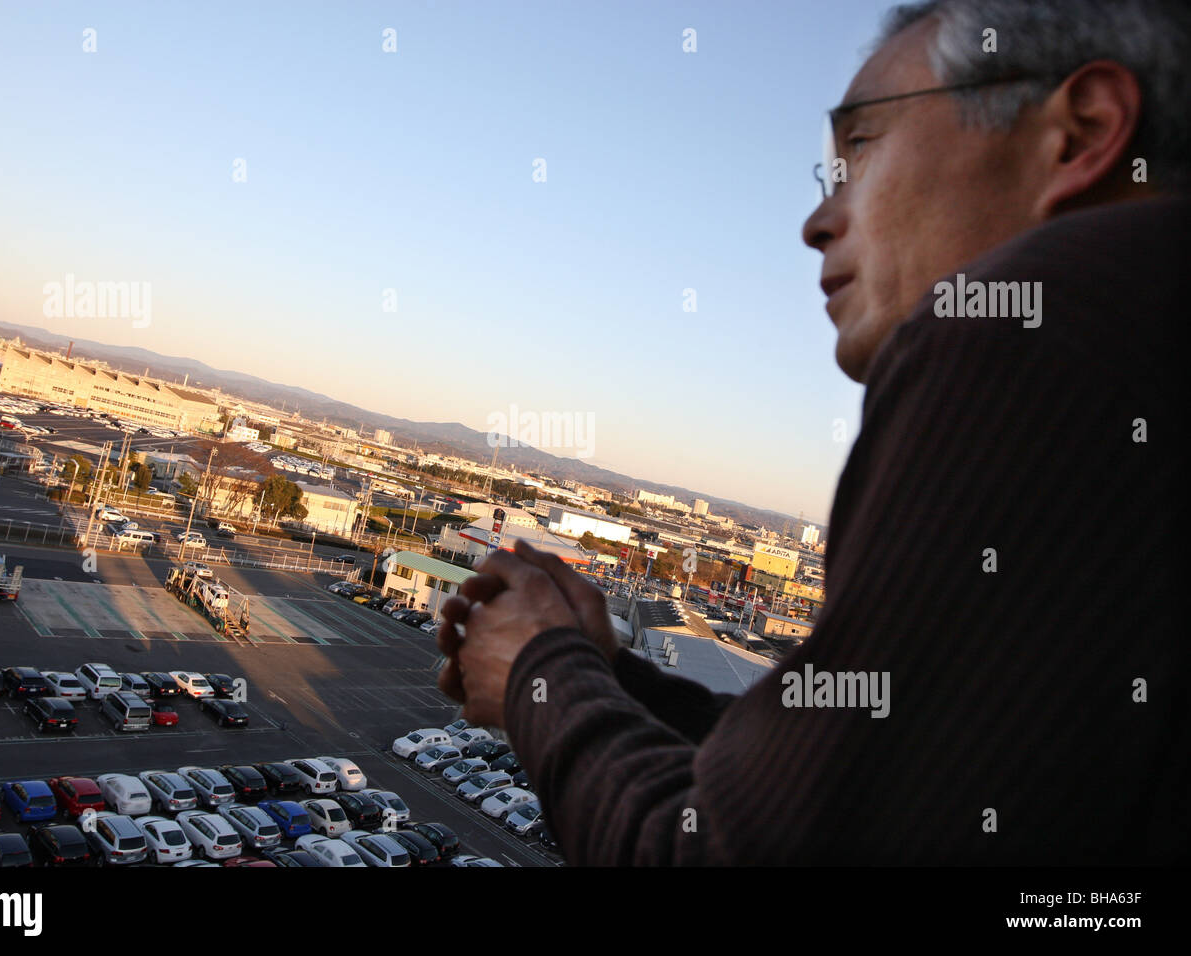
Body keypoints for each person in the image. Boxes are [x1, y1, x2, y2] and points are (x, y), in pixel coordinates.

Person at [437, 0, 1188, 865]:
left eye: (861, 149)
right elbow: (856, 800)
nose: (816, 224)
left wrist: (542, 669)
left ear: (1082, 131)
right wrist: (604, 674)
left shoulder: (1033, 326)